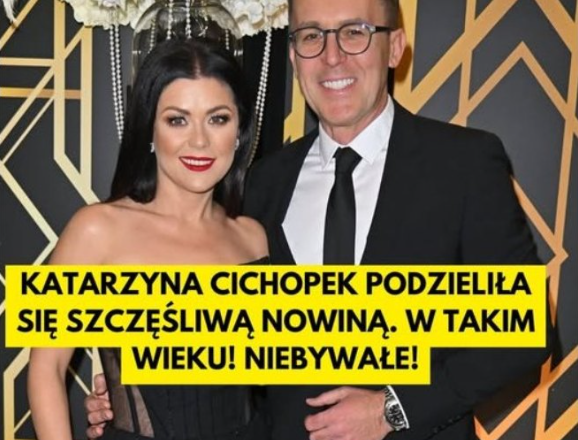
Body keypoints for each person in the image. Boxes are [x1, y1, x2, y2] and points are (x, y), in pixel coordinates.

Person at [86, 0, 553, 439]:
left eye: (355, 32)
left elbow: (527, 330)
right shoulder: (262, 183)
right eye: (311, 36)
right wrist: (136, 385)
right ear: (293, 55)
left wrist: (392, 409)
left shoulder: (465, 163)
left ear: (394, 47)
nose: (332, 57)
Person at [28, 39, 268, 440]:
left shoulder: (253, 239)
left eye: (217, 119)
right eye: (177, 120)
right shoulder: (96, 230)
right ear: (150, 130)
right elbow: (45, 370)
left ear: (240, 132)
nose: (199, 141)